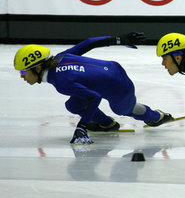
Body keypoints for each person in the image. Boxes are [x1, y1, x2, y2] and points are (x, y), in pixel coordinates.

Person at [14, 33, 173, 145]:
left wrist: (82, 126)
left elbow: (94, 97)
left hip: (119, 86)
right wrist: (119, 39)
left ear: (38, 67)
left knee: (127, 110)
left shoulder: (62, 82)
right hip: (112, 69)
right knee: (73, 105)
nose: (22, 76)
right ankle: (107, 124)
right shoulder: (60, 57)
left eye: (23, 71)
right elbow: (89, 42)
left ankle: (157, 116)